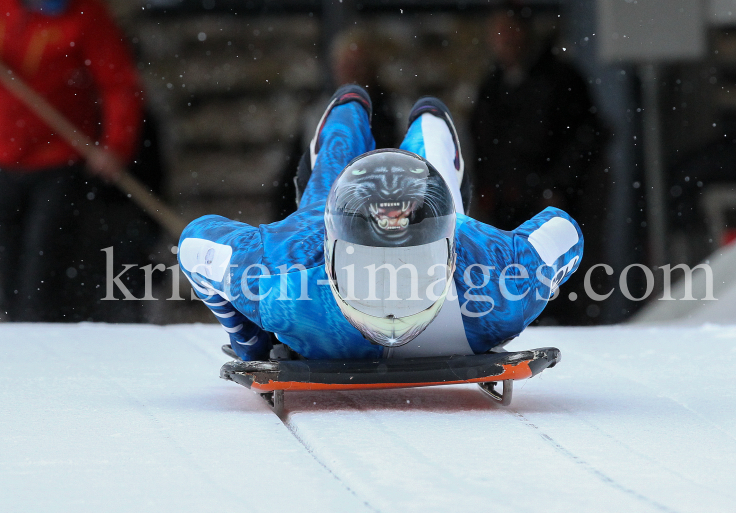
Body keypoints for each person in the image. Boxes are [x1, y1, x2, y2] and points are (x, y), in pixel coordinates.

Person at [179, 86, 583, 361]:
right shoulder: (502, 290)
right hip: (323, 221)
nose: (392, 305)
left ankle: (393, 116)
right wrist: (253, 338)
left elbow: (196, 246)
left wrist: (253, 342)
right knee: (352, 121)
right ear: (333, 256)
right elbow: (562, 232)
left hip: (437, 228)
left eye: (412, 270)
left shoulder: (279, 286)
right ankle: (360, 110)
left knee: (426, 131)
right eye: (370, 271)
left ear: (449, 253)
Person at [0, 0, 143, 321]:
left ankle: (41, 341)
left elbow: (119, 84)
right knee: (8, 264)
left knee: (43, 271)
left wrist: (115, 146)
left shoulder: (85, 12)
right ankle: (17, 337)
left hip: (60, 161)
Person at [470, 4, 608, 324]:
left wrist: (556, 186)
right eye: (498, 34)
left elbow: (584, 138)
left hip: (553, 199)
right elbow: (483, 145)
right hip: (507, 203)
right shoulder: (491, 87)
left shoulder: (560, 79)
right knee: (511, 272)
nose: (504, 40)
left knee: (561, 273)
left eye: (510, 32)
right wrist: (488, 189)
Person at [275, 28, 398, 219]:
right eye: (345, 65)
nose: (351, 72)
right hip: (328, 220)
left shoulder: (394, 115)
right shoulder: (316, 115)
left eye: (357, 65)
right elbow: (290, 182)